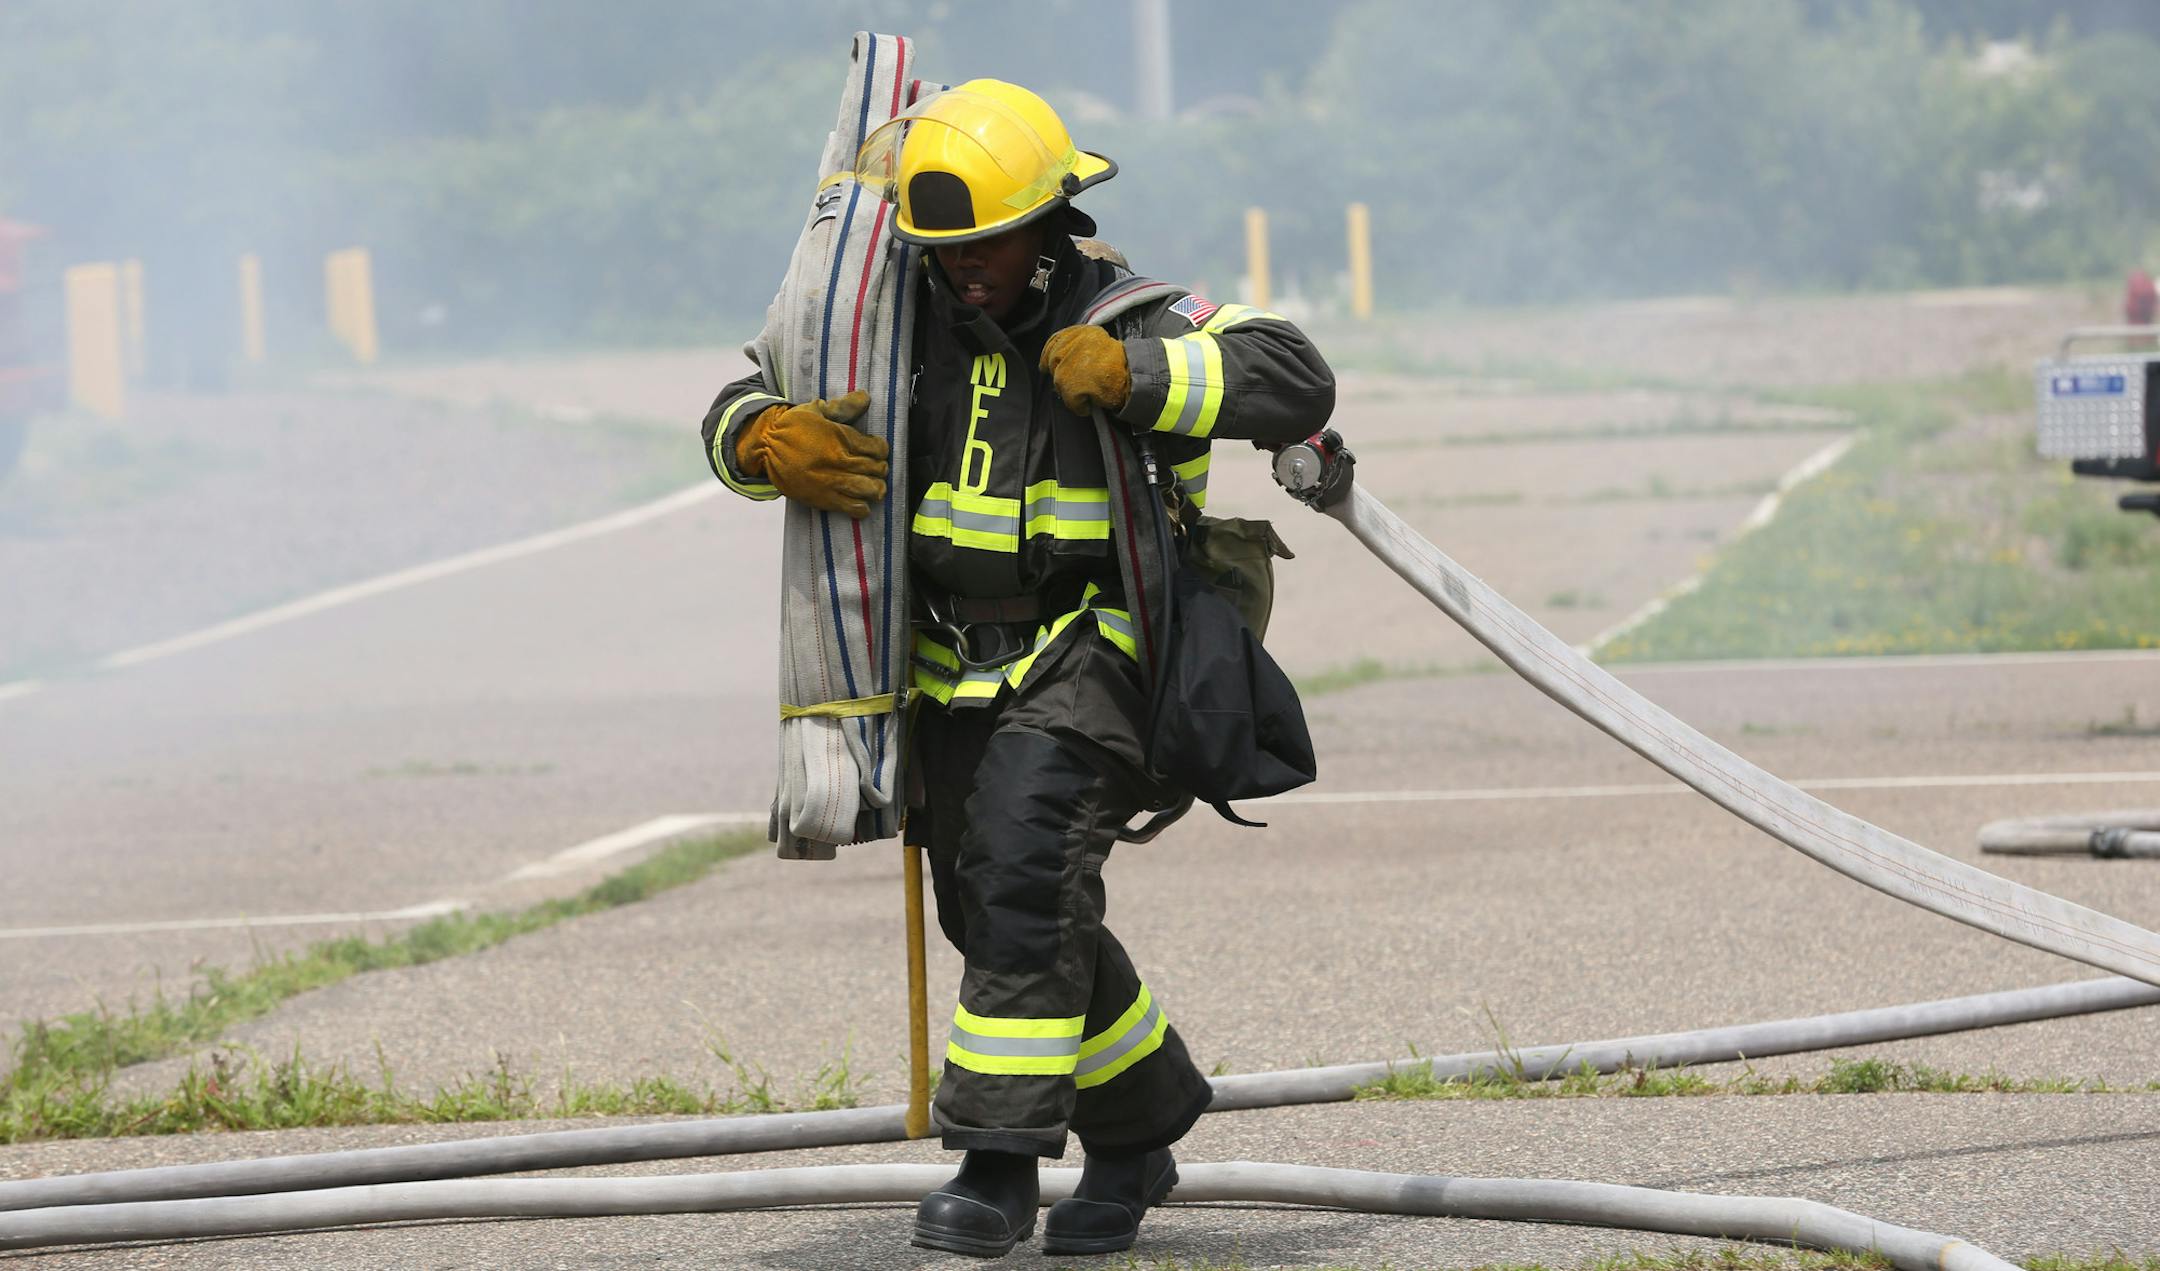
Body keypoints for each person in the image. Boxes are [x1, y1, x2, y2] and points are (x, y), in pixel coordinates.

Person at [700, 79, 1335, 1259]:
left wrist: (1140, 379)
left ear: (1053, 220)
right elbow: (745, 387)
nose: (965, 266)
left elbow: (1293, 372)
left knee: (1029, 853)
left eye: (987, 241)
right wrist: (761, 439)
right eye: (943, 246)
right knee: (992, 903)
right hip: (943, 664)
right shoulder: (890, 322)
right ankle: (1141, 1130)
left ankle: (995, 1160)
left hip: (1101, 646)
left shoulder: (1134, 308)